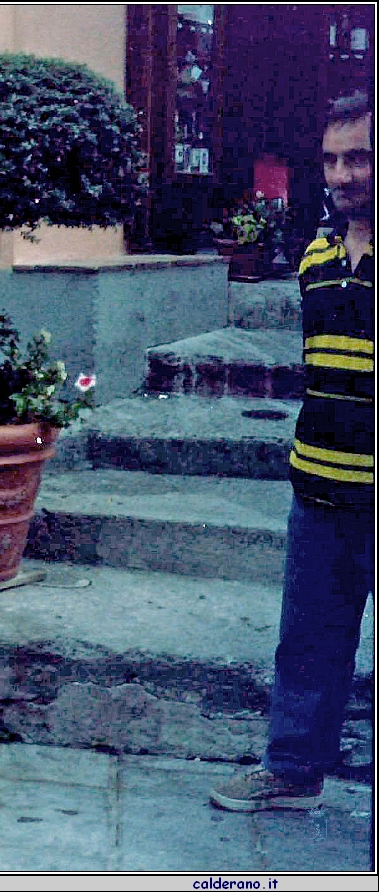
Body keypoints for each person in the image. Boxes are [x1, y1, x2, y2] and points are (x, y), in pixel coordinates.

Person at [211, 91, 374, 812]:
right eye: (333, 160)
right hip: (319, 488)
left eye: (360, 157)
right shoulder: (313, 252)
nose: (343, 175)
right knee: (307, 641)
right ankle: (293, 767)